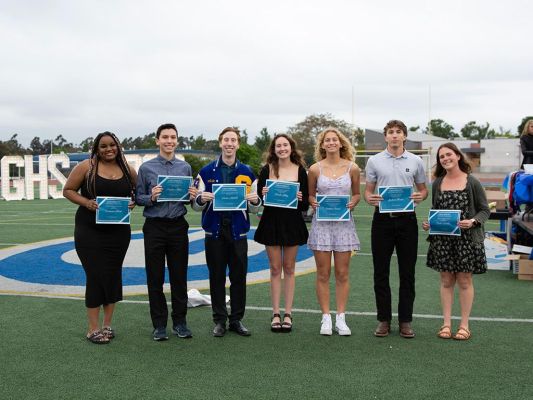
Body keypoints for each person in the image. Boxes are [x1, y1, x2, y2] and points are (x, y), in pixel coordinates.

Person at [63, 131, 137, 344]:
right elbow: (68, 190)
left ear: (118, 146)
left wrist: (133, 202)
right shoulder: (86, 167)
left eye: (112, 145)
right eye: (103, 146)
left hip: (118, 232)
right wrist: (86, 202)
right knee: (95, 276)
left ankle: (107, 325)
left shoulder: (127, 169)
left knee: (113, 276)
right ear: (96, 149)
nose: (108, 149)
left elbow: (137, 192)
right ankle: (93, 329)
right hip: (89, 231)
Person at [192, 127, 261, 337]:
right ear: (220, 142)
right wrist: (200, 199)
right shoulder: (206, 171)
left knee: (239, 277)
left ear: (238, 144)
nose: (229, 144)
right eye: (226, 140)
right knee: (217, 276)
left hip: (238, 231)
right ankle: (220, 320)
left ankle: (236, 319)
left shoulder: (248, 172)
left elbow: (255, 207)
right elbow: (195, 205)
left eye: (233, 140)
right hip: (214, 231)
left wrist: (255, 201)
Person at [364, 120, 427, 338]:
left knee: (407, 272)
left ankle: (405, 321)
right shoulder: (374, 160)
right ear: (385, 137)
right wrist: (370, 198)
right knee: (380, 271)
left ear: (404, 136)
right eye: (390, 132)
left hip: (407, 220)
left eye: (398, 132)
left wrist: (420, 196)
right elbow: (368, 191)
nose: (394, 135)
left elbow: (423, 190)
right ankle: (383, 319)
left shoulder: (416, 160)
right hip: (382, 220)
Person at [135, 123, 197, 341]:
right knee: (155, 277)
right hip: (155, 227)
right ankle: (159, 325)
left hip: (178, 226)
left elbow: (188, 201)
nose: (169, 141)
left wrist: (192, 195)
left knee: (179, 277)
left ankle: (180, 322)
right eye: (165, 137)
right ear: (157, 140)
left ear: (177, 141)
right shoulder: (146, 168)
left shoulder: (185, 168)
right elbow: (138, 198)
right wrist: (151, 196)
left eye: (172, 137)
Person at [422, 143, 489, 341]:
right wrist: (430, 224)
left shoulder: (472, 182)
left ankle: (464, 325)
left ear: (458, 156)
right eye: (441, 157)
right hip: (443, 241)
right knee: (446, 281)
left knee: (465, 281)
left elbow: (485, 210)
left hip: (466, 240)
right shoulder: (437, 183)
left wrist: (473, 221)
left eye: (448, 154)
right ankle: (446, 324)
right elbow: (436, 210)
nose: (445, 159)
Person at [307, 127, 361, 336]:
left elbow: (356, 194)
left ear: (340, 143)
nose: (331, 143)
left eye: (334, 140)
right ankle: (326, 317)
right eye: (327, 140)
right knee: (323, 274)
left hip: (343, 225)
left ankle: (341, 317)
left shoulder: (352, 167)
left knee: (342, 273)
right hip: (322, 225)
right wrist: (313, 202)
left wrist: (353, 203)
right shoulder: (315, 169)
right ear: (322, 145)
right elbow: (311, 195)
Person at [254, 134, 309, 333]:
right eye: (278, 146)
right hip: (271, 223)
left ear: (291, 148)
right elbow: (260, 199)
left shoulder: (300, 170)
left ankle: (288, 314)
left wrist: (300, 198)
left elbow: (304, 205)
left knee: (289, 268)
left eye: (285, 145)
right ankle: (276, 313)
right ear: (274, 149)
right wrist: (263, 194)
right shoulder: (266, 169)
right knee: (275, 268)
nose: (282, 148)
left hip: (292, 223)